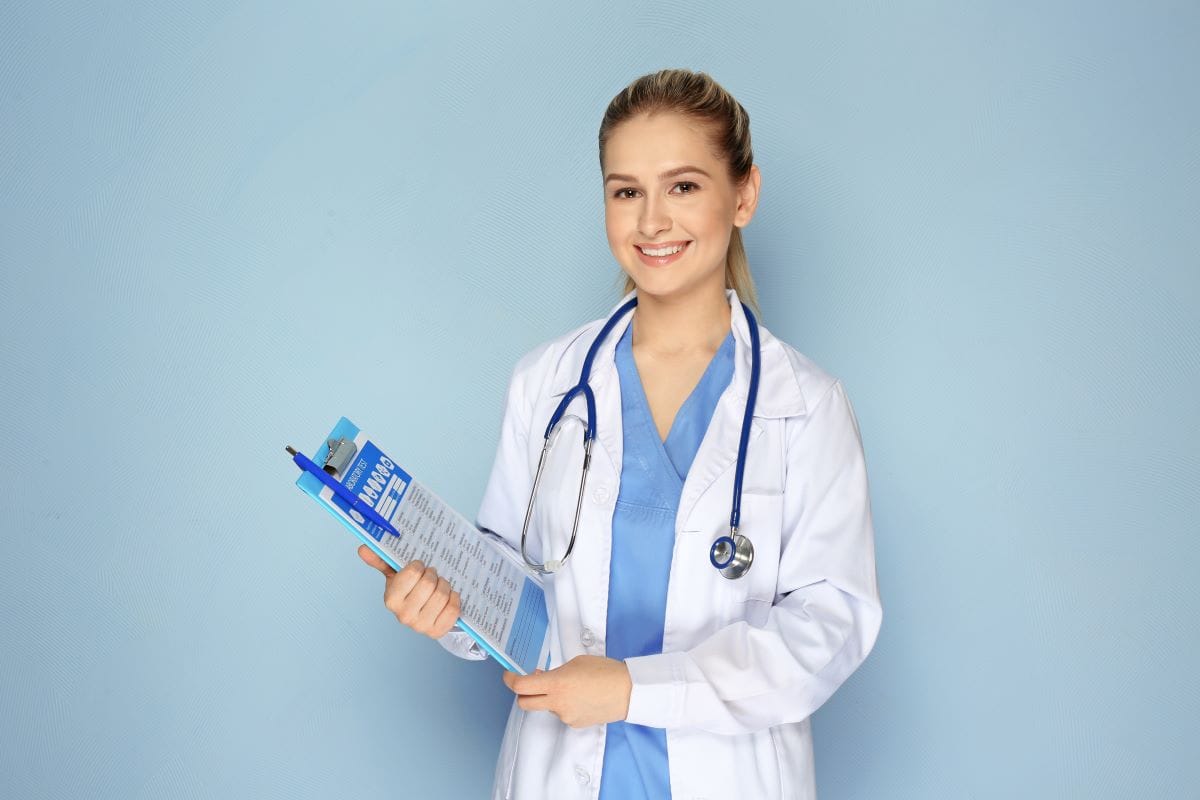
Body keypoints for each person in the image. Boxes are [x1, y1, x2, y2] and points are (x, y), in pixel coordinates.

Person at [357, 68, 882, 799]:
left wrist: (636, 690)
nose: (652, 221)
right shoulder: (546, 384)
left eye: (685, 187)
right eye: (626, 191)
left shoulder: (806, 407)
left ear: (745, 196)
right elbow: (509, 590)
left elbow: (828, 630)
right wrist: (445, 604)